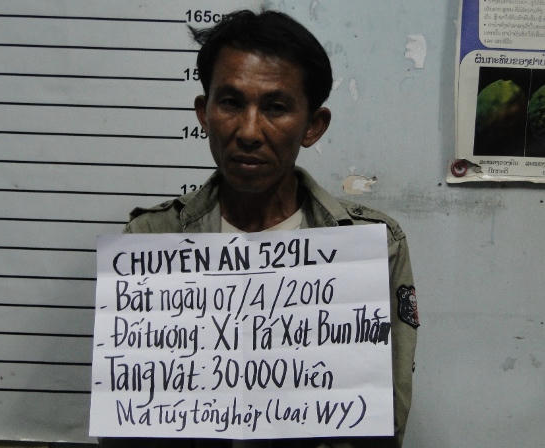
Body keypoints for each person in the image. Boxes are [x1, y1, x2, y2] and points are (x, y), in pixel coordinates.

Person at [103, 9, 417, 448]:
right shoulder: (151, 240)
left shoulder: (374, 248)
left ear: (312, 126)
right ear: (204, 113)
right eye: (231, 103)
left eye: (276, 108)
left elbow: (381, 427)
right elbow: (128, 425)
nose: (249, 131)